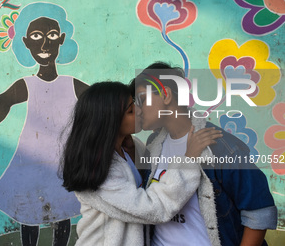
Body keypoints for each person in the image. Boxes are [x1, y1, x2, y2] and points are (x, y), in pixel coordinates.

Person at [0, 3, 88, 246]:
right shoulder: (27, 84)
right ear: (26, 42)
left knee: (62, 212)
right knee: (28, 213)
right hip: (30, 161)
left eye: (51, 37)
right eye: (36, 37)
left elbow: (103, 105)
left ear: (61, 40)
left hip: (63, 162)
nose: (44, 45)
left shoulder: (71, 84)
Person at [131, 62, 278, 246]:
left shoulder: (220, 146)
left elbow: (259, 212)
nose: (138, 109)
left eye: (142, 99)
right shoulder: (153, 146)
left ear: (166, 95)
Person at [62, 81, 222, 246]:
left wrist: (132, 155)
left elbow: (139, 183)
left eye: (135, 104)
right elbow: (152, 208)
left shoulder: (130, 148)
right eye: (131, 111)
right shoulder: (98, 170)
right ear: (110, 121)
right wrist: (188, 159)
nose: (139, 111)